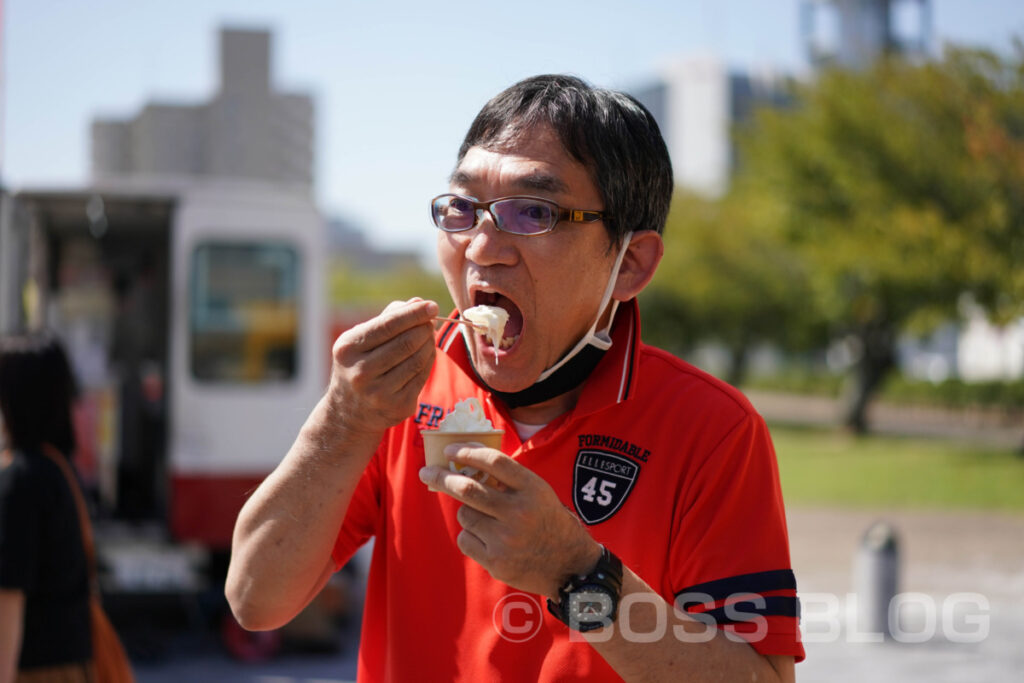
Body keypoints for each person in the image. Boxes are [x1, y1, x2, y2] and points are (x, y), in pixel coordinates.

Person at [227, 74, 804, 681]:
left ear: (630, 264)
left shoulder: (713, 431)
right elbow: (255, 599)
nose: (481, 246)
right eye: (462, 207)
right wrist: (343, 418)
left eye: (533, 212)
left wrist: (576, 574)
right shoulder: (400, 392)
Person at [0, 334, 93, 682]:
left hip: (33, 670)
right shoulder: (59, 468)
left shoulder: (19, 480)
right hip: (72, 664)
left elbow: (8, 600)